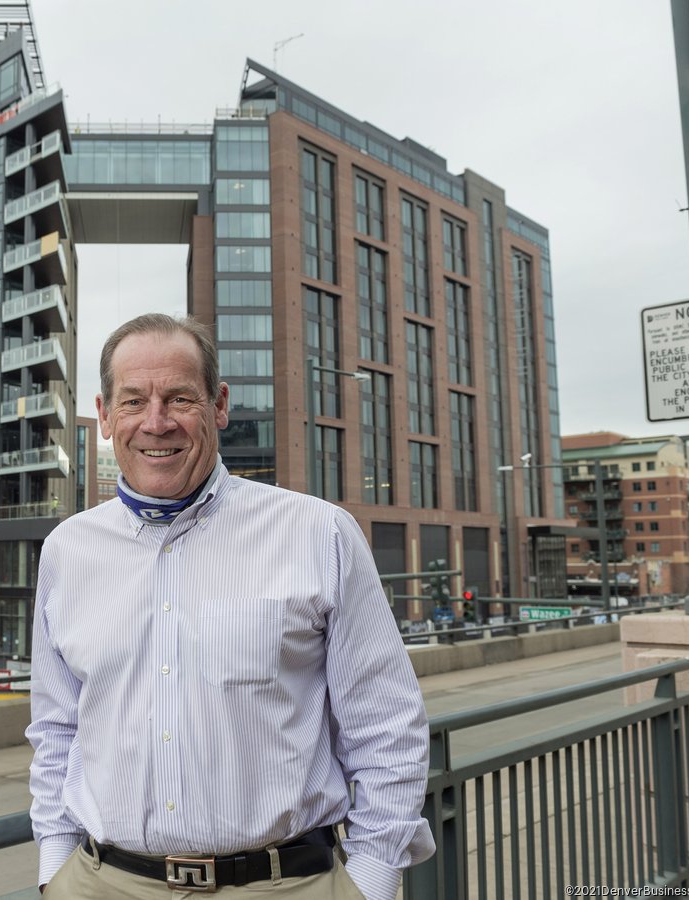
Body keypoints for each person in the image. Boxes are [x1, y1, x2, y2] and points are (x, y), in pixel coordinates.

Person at [27, 314, 435, 899]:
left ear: (218, 405)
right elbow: (57, 727)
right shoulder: (67, 550)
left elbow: (385, 725)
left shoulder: (318, 534)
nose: (156, 422)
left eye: (179, 398)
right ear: (105, 414)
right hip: (100, 884)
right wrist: (54, 870)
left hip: (282, 885)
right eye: (134, 401)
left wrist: (370, 885)